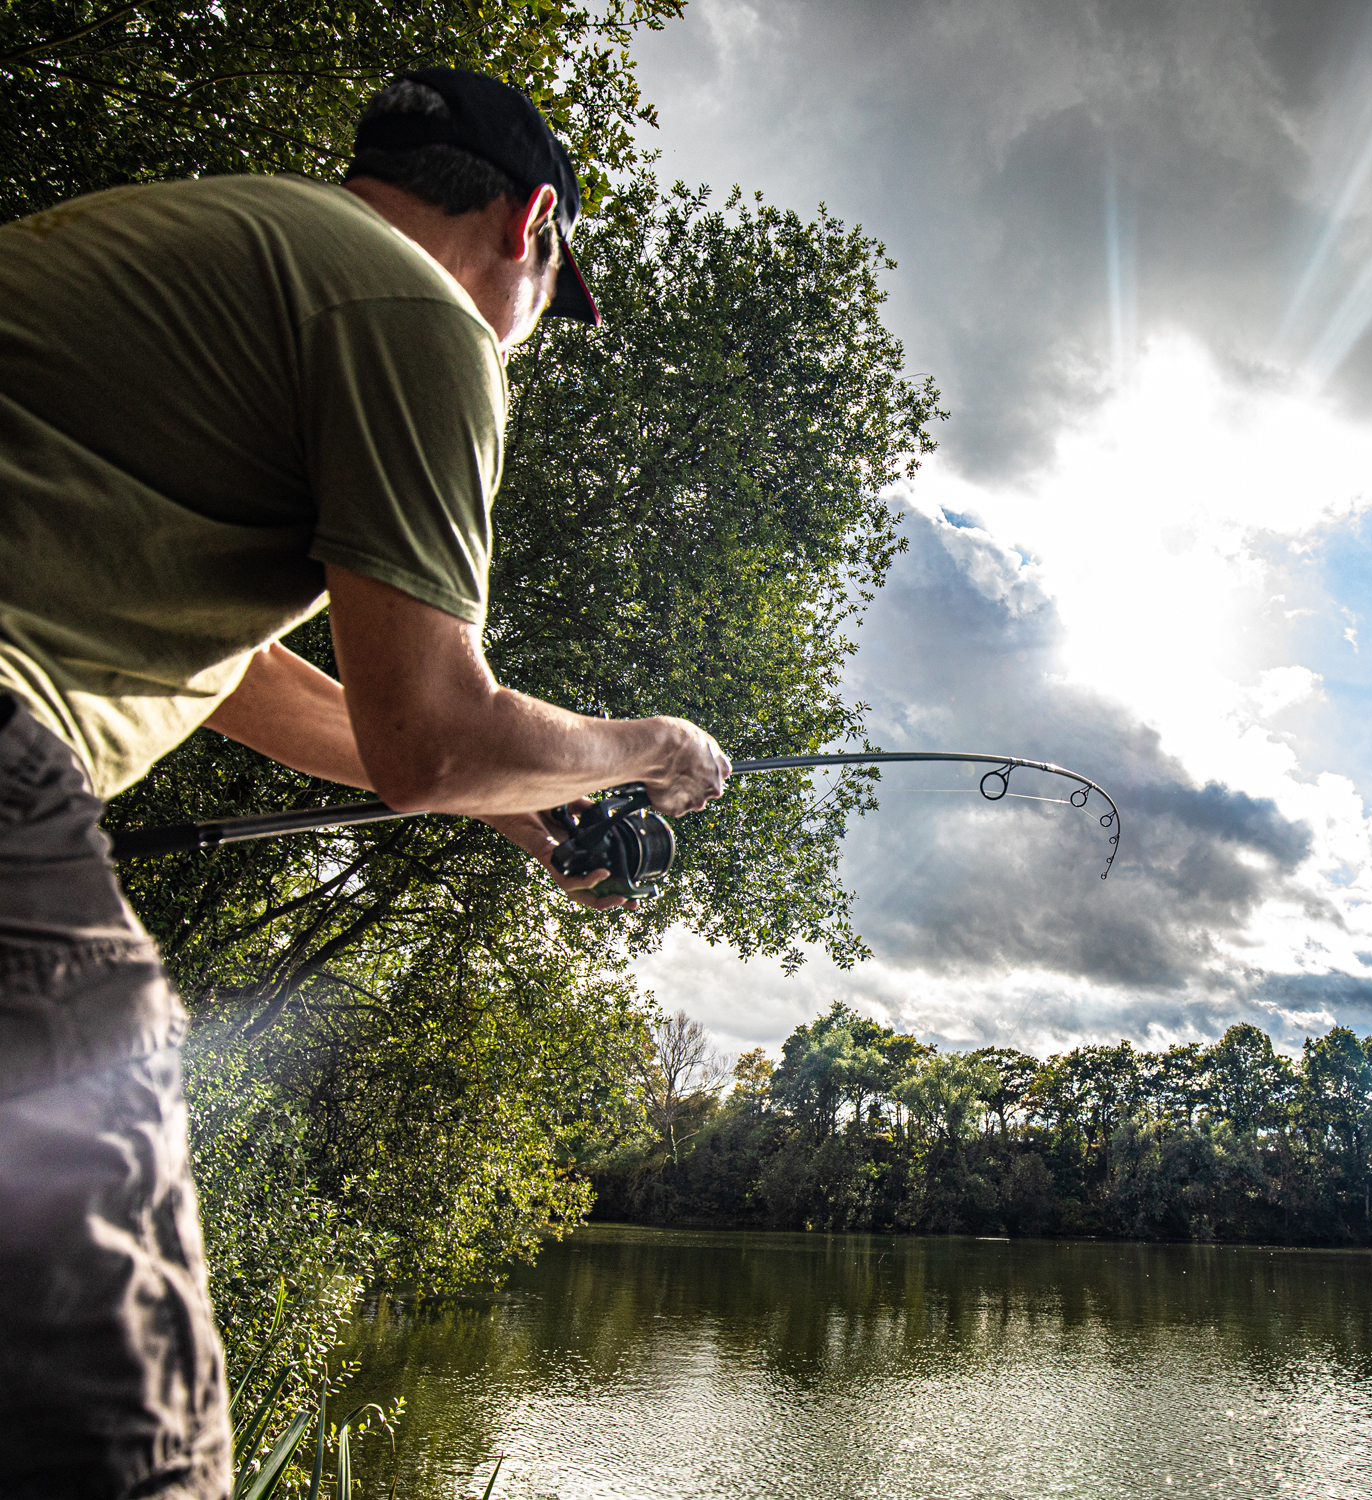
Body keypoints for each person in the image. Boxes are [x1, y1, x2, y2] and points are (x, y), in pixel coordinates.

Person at [0, 67, 730, 1497]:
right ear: (530, 225)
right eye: (549, 301)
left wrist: (517, 808)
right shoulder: (421, 316)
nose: (528, 338)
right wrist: (652, 746)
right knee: (117, 1433)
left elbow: (245, 680)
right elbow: (432, 740)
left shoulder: (192, 245)